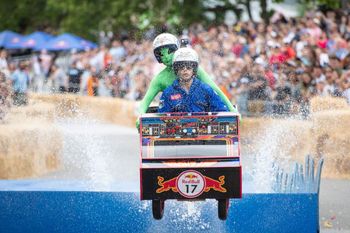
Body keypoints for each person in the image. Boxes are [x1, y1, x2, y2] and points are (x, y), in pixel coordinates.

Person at [137, 33, 237, 126]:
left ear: (193, 70)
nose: (166, 57)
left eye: (188, 68)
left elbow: (215, 89)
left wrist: (232, 110)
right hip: (177, 122)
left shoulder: (203, 84)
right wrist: (139, 117)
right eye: (162, 54)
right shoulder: (161, 82)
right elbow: (146, 103)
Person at [158, 48, 228, 113]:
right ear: (177, 70)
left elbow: (221, 111)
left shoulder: (206, 89)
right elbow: (161, 117)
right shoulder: (168, 93)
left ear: (193, 69)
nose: (185, 69)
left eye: (188, 67)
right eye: (181, 67)